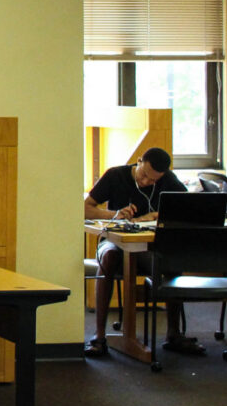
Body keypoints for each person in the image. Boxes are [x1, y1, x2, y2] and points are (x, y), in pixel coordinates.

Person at [83, 146, 193, 358]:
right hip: (114, 241)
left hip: (146, 247)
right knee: (109, 257)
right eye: (143, 176)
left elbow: (186, 206)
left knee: (171, 261)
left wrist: (155, 215)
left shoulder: (167, 179)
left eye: (152, 181)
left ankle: (173, 333)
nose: (145, 182)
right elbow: (86, 207)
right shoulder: (116, 175)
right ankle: (99, 336)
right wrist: (114, 214)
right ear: (139, 161)